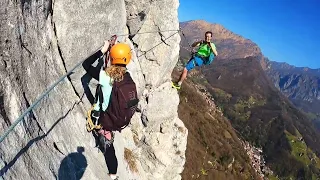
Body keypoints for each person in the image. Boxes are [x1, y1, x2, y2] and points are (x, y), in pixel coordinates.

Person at [82, 40, 135, 180]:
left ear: (112, 58)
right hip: (115, 119)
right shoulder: (128, 77)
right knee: (111, 148)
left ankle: (112, 175)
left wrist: (103, 51)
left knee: (108, 150)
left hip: (102, 119)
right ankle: (114, 175)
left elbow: (86, 65)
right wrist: (117, 50)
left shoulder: (105, 77)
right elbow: (122, 61)